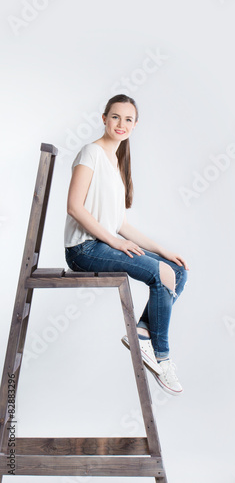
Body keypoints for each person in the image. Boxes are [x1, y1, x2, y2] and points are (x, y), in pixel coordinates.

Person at [64, 94, 189, 396]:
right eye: (116, 117)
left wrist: (161, 250)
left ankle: (141, 332)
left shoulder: (116, 162)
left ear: (135, 125)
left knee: (176, 270)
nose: (121, 124)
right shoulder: (90, 153)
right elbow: (74, 207)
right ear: (104, 118)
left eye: (128, 119)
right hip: (84, 249)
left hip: (104, 244)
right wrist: (116, 243)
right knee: (161, 276)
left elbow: (119, 223)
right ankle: (162, 357)